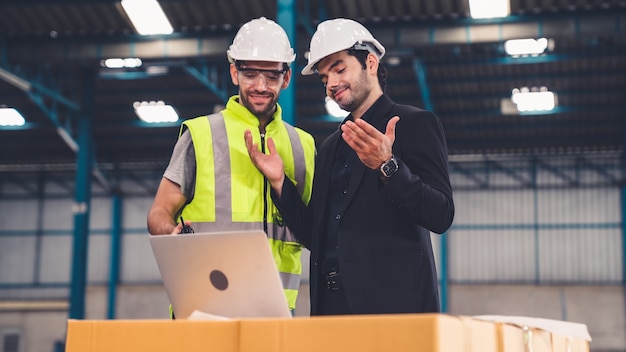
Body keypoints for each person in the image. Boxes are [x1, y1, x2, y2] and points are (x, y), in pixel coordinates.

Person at [245, 18, 454, 316]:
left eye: (339, 69)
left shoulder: (415, 125)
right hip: (332, 310)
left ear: (370, 62)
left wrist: (388, 166)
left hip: (394, 311)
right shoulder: (331, 146)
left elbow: (441, 214)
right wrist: (280, 183)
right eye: (324, 77)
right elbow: (313, 234)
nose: (331, 84)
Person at [147, 17, 316, 314]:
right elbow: (159, 212)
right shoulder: (201, 135)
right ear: (234, 72)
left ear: (286, 78)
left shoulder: (303, 146)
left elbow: (314, 230)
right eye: (250, 73)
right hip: (203, 305)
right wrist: (169, 232)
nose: (261, 86)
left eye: (272, 76)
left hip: (274, 311)